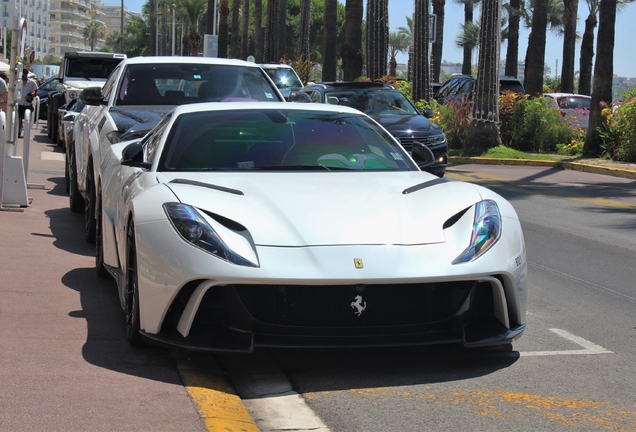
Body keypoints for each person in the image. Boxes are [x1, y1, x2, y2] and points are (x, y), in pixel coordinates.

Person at [18, 69, 38, 138]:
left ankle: (26, 132)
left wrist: (30, 96)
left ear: (26, 75)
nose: (22, 77)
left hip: (28, 103)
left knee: (27, 119)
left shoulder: (32, 82)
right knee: (19, 118)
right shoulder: (18, 82)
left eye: (23, 76)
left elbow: (36, 92)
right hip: (20, 102)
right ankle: (19, 132)